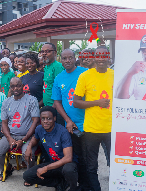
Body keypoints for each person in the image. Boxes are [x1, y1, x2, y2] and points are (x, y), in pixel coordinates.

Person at [73, 46, 114, 191]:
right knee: (91, 165)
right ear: (94, 57)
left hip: (112, 128)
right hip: (91, 129)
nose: (101, 58)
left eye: (104, 55)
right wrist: (97, 103)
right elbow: (76, 102)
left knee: (114, 163)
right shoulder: (85, 76)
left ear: (109, 57)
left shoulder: (115, 75)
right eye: (98, 55)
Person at [0, 77, 40, 183]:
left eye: (18, 85)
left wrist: (24, 140)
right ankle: (7, 169)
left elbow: (36, 121)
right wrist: (9, 139)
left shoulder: (32, 100)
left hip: (28, 136)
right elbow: (4, 123)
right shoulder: (6, 102)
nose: (16, 88)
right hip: (11, 135)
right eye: (13, 86)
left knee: (26, 154)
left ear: (22, 86)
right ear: (10, 88)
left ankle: (30, 174)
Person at [52, 49, 88, 189]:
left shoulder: (84, 73)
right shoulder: (58, 78)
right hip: (69, 125)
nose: (67, 61)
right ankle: (71, 182)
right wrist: (67, 120)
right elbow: (57, 102)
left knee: (87, 158)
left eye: (70, 58)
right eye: (64, 58)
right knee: (72, 155)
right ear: (61, 60)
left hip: (87, 123)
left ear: (75, 58)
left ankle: (86, 184)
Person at [23, 106, 78, 191]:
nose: (45, 121)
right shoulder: (39, 128)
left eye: (49, 118)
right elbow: (35, 138)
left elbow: (68, 158)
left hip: (66, 164)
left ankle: (73, 187)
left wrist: (46, 168)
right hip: (53, 163)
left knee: (68, 170)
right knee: (27, 176)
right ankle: (59, 183)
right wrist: (29, 147)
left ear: (54, 118)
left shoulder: (63, 132)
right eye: (43, 118)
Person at [116, 33, 146, 100]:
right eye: (144, 52)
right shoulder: (137, 73)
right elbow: (120, 98)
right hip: (141, 110)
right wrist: (129, 73)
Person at [40, 43, 65, 107]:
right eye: (42, 51)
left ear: (55, 53)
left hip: (54, 108)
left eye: (47, 51)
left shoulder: (57, 67)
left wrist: (52, 109)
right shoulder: (46, 67)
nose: (44, 53)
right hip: (46, 106)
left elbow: (61, 90)